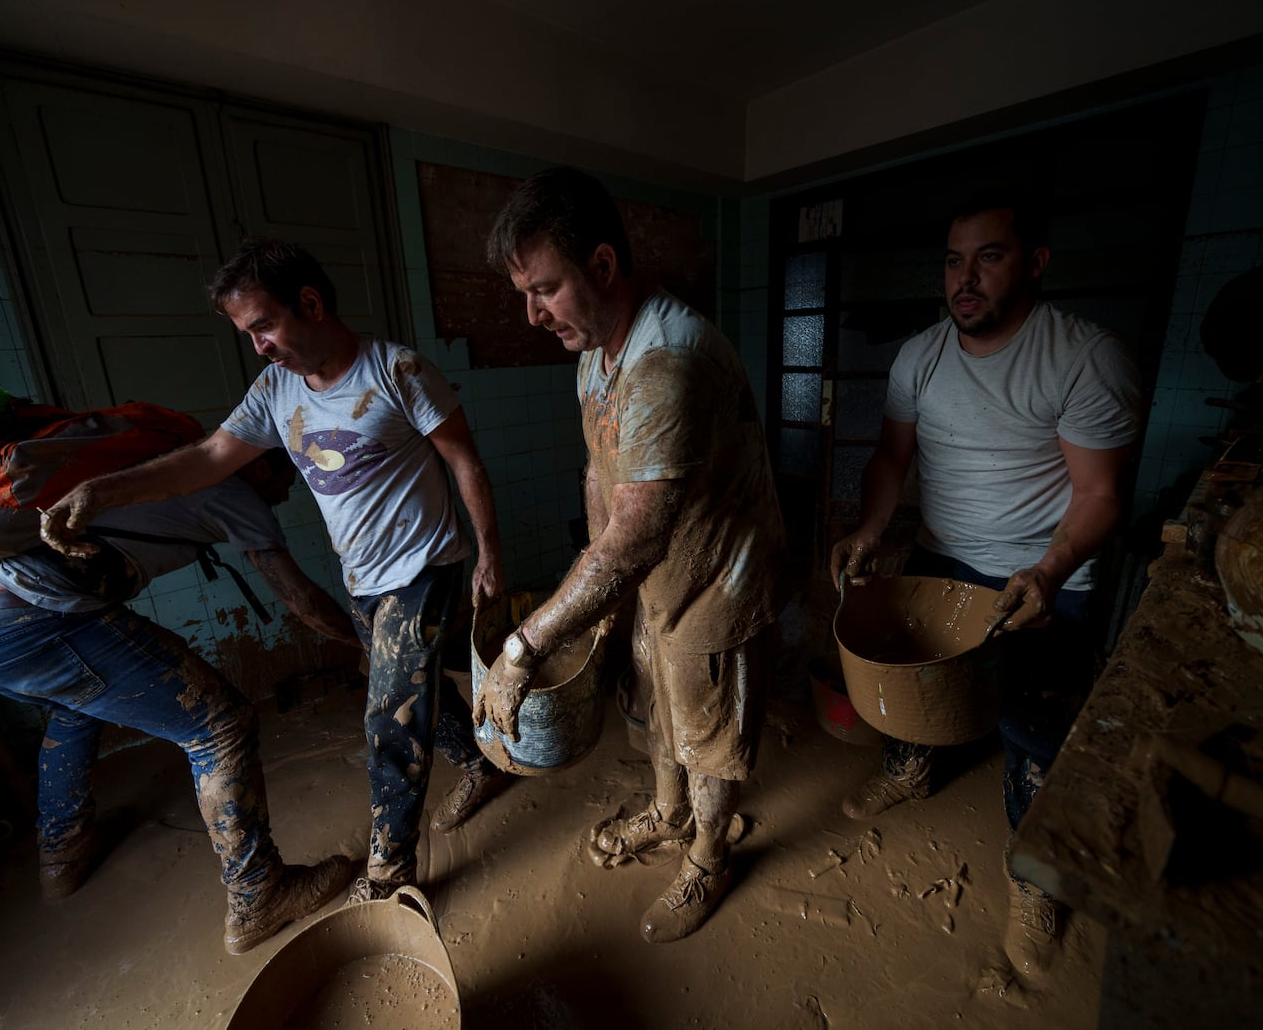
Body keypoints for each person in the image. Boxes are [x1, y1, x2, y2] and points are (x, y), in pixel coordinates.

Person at [39, 238, 510, 905]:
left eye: (263, 325)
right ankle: (479, 766)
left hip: (424, 566)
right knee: (417, 683)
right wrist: (102, 491)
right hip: (362, 578)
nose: (257, 345)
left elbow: (463, 459)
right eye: (246, 333)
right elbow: (203, 460)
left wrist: (488, 552)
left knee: (390, 715)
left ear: (311, 304)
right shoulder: (274, 389)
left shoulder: (397, 371)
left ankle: (390, 867)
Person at [828, 195, 1143, 980]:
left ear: (1034, 262)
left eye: (989, 257)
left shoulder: (1085, 356)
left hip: (1044, 573)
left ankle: (1033, 873)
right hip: (945, 553)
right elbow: (891, 457)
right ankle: (912, 765)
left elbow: (1099, 494)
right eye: (953, 260)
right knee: (915, 675)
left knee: (1033, 728)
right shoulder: (921, 357)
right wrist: (871, 530)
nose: (964, 280)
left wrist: (1047, 569)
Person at [475, 167, 785, 943]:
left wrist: (526, 645)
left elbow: (638, 532)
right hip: (655, 570)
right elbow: (600, 473)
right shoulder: (595, 353)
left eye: (544, 289)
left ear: (604, 268)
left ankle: (710, 853)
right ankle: (669, 811)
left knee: (707, 723)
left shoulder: (667, 363)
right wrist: (609, 599)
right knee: (655, 697)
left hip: (719, 574)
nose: (532, 313)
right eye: (524, 292)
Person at [0, 452, 356, 953]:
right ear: (258, 465)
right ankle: (259, 895)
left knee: (77, 704)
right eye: (286, 477)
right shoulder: (235, 492)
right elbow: (300, 600)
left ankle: (64, 853)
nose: (285, 493)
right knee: (219, 725)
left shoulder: (150, 466)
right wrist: (366, 645)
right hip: (16, 623)